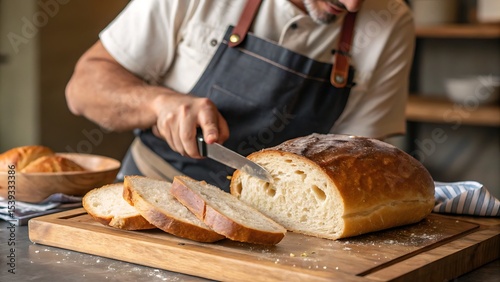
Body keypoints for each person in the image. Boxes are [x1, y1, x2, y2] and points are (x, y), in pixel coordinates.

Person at [65, 0, 415, 190]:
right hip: (153, 191)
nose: (352, 5)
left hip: (279, 223)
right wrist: (158, 104)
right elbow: (82, 88)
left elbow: (357, 161)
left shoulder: (391, 20)